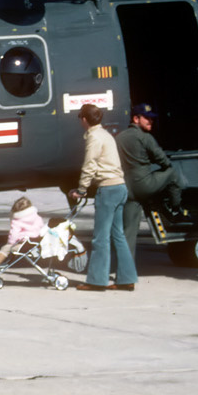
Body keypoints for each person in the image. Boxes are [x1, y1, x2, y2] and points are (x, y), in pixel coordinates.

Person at [68, 103, 136, 292]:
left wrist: (81, 190)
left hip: (108, 189)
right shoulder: (106, 135)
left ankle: (97, 281)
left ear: (84, 119)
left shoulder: (94, 137)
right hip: (120, 186)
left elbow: (89, 165)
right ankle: (127, 279)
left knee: (100, 238)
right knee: (118, 235)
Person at [115, 103, 184, 263]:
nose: (150, 122)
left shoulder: (119, 137)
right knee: (172, 173)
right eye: (147, 118)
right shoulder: (145, 137)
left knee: (129, 232)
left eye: (152, 119)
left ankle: (125, 271)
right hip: (145, 185)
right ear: (136, 118)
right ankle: (175, 209)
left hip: (127, 189)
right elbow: (163, 161)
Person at [0, 196, 45, 274]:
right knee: (6, 248)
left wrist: (10, 242)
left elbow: (13, 234)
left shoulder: (17, 220)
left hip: (23, 244)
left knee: (6, 248)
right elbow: (41, 228)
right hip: (33, 244)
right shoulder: (37, 217)